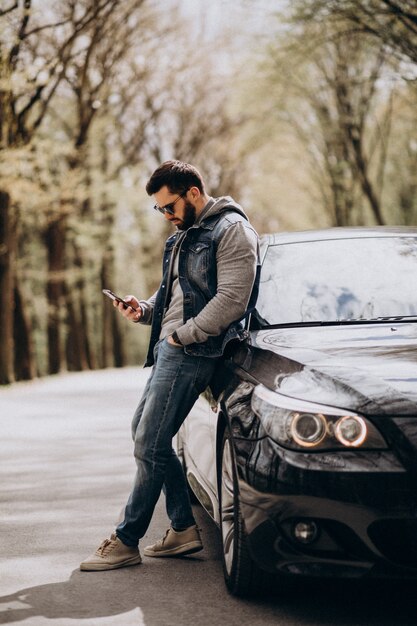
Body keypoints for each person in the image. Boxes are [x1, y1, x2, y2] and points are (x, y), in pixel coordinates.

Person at [80, 160, 259, 571]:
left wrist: (184, 335)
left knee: (149, 442)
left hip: (192, 352)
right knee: (145, 436)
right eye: (159, 210)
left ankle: (126, 539)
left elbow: (232, 300)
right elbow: (173, 296)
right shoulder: (184, 235)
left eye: (169, 206)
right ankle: (181, 528)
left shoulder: (231, 230)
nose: (166, 216)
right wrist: (142, 310)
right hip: (170, 349)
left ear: (194, 193)